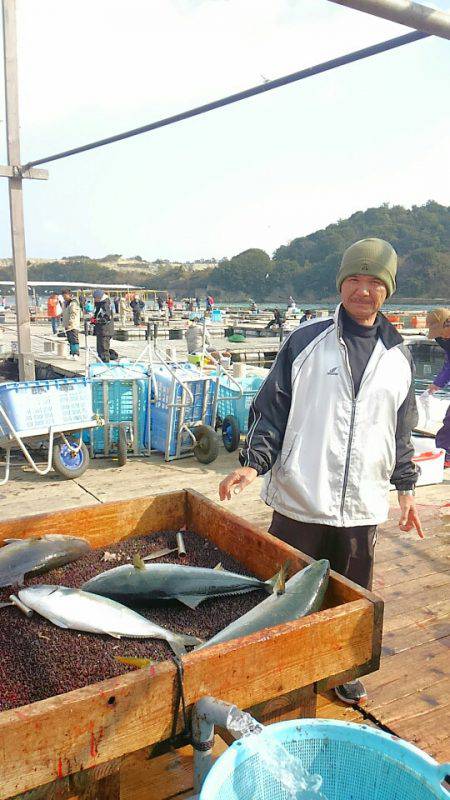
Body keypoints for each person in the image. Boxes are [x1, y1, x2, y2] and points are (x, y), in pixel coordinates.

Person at [219, 237, 422, 706]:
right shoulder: (305, 341)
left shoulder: (399, 355)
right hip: (300, 499)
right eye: (355, 279)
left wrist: (406, 489)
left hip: (362, 505)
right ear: (341, 283)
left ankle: (341, 670)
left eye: (374, 282)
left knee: (351, 598)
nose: (363, 290)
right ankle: (277, 670)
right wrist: (253, 465)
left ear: (388, 289)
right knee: (283, 592)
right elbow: (270, 410)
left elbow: (402, 429)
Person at [425, 308, 450, 467]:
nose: (441, 337)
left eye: (441, 332)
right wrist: (438, 383)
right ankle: (444, 453)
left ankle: (446, 454)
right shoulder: (445, 340)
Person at [92, 289, 114, 363]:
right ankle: (101, 362)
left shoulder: (105, 304)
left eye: (95, 298)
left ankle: (105, 363)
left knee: (104, 349)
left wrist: (97, 321)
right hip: (100, 330)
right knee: (100, 349)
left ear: (99, 297)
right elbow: (98, 314)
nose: (95, 299)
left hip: (105, 330)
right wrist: (94, 319)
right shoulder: (99, 304)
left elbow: (107, 318)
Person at [61, 289, 81, 358]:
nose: (64, 297)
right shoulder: (65, 303)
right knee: (69, 339)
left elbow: (73, 313)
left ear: (69, 295)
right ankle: (71, 353)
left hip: (73, 325)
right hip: (67, 324)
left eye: (65, 296)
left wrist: (71, 322)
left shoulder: (74, 302)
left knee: (74, 339)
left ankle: (76, 353)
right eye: (63, 296)